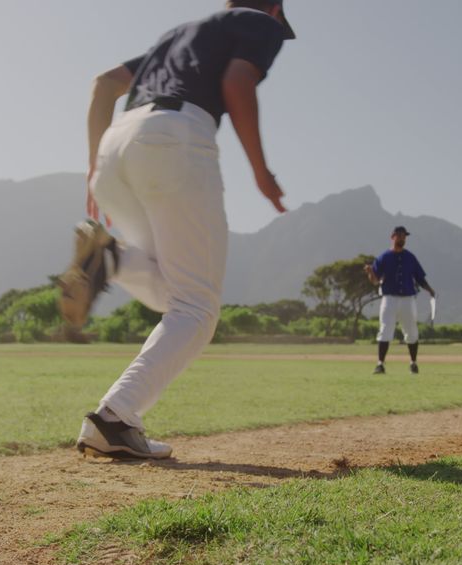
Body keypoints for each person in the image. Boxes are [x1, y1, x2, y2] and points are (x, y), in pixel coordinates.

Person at [59, 0, 296, 459]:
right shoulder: (258, 21)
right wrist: (261, 172)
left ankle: (112, 259)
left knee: (171, 290)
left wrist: (95, 164)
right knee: (197, 308)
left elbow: (104, 84)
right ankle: (115, 417)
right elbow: (237, 81)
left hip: (118, 145)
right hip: (174, 137)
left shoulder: (179, 34)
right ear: (274, 6)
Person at [364, 226, 436, 374]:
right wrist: (370, 272)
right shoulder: (383, 257)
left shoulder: (410, 257)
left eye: (404, 236)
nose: (403, 238)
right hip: (389, 298)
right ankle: (380, 364)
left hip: (408, 299)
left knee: (411, 331)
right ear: (393, 237)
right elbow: (375, 281)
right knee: (385, 330)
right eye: (400, 235)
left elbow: (419, 278)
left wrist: (429, 289)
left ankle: (413, 363)